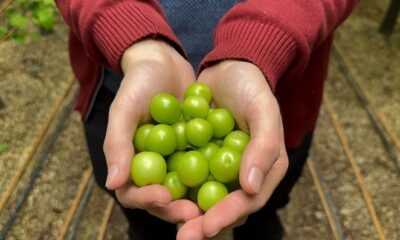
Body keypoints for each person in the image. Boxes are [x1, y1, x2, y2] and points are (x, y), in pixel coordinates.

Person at [55, 1, 359, 239]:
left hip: (274, 99)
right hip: (124, 85)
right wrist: (124, 24)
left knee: (264, 207)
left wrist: (264, 41)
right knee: (145, 218)